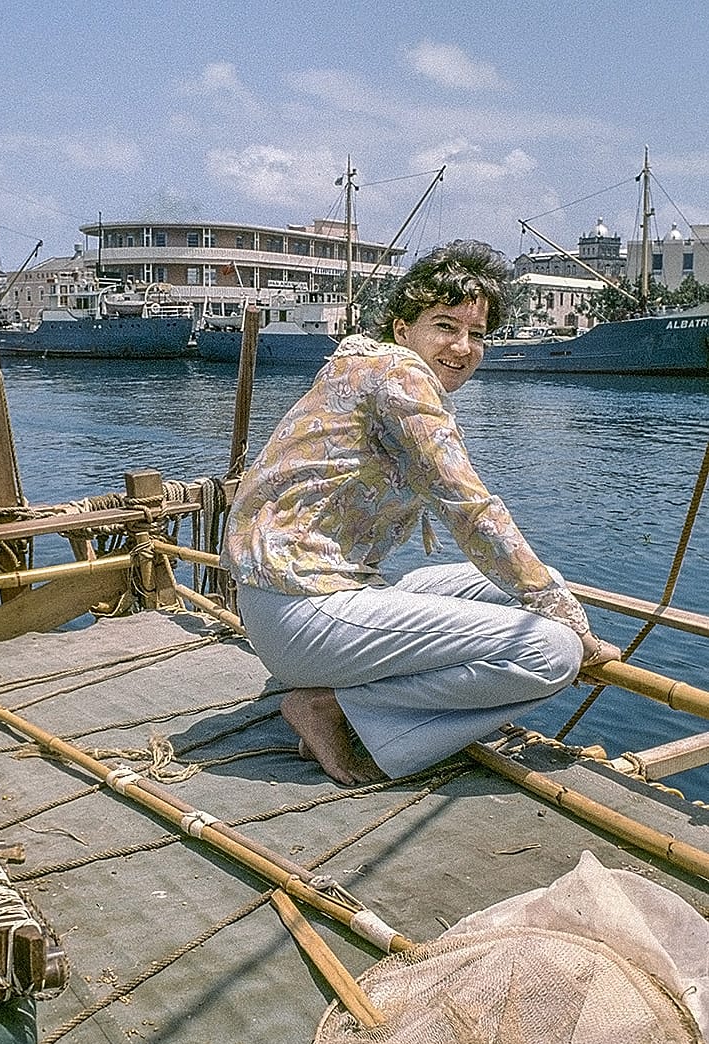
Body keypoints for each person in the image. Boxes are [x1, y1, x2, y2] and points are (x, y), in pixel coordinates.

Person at [222, 240, 621, 786]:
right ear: (403, 327)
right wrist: (576, 626)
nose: (463, 346)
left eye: (476, 333)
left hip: (289, 603)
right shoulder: (400, 375)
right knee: (553, 651)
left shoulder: (368, 365)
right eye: (445, 325)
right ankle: (332, 708)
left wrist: (547, 595)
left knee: (541, 582)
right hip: (303, 609)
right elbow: (471, 509)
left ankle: (354, 700)